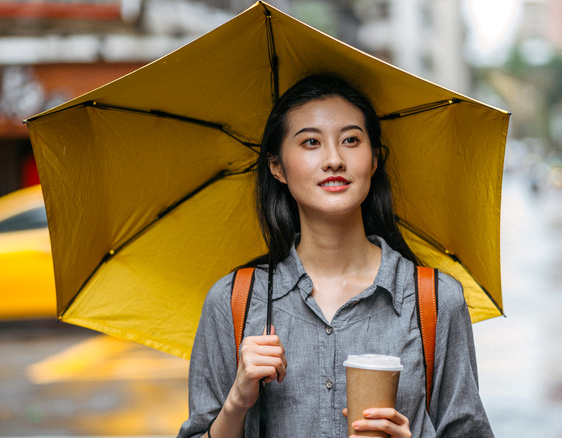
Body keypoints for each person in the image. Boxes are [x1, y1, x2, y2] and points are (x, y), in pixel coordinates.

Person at [177, 74, 493, 438]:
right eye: (311, 141)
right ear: (277, 166)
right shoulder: (234, 301)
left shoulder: (434, 301)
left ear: (374, 160)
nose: (333, 159)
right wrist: (236, 402)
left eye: (351, 140)